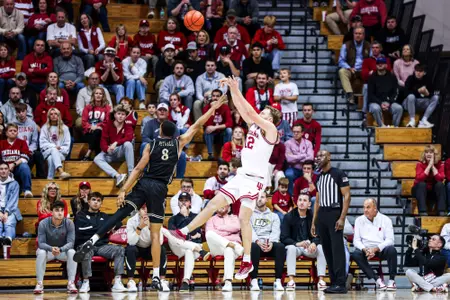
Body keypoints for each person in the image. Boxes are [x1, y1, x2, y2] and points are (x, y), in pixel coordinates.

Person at [73, 97, 228, 291]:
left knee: (119, 215)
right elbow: (197, 124)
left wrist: (123, 190)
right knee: (156, 234)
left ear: (160, 131)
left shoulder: (150, 145)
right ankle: (156, 276)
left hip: (144, 184)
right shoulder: (178, 143)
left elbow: (137, 169)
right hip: (160, 188)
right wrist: (214, 107)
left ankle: (93, 239)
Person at [168, 76, 280, 281]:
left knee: (244, 218)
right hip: (242, 175)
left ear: (270, 118)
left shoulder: (271, 131)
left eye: (264, 112)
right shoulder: (255, 125)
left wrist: (236, 88)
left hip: (255, 180)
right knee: (211, 205)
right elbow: (243, 108)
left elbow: (251, 113)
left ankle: (247, 260)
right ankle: (183, 231)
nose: (260, 113)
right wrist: (232, 90)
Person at [311, 150, 351, 294]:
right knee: (327, 250)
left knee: (337, 249)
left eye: (322, 156)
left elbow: (347, 196)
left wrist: (342, 218)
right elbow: (317, 201)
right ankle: (334, 282)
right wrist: (314, 221)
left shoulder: (339, 174)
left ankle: (341, 283)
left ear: (329, 158)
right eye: (318, 156)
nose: (319, 158)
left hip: (334, 213)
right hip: (322, 214)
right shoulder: (319, 177)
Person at [74, 192, 126, 293]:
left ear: (101, 203)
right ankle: (85, 281)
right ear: (88, 201)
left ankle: (117, 281)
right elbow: (81, 230)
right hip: (86, 245)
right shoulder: (80, 215)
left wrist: (112, 226)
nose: (96, 203)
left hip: (102, 246)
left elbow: (118, 222)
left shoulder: (104, 216)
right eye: (93, 200)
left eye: (98, 201)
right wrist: (104, 228)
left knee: (119, 249)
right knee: (85, 250)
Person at [281, 193, 327, 291]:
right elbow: (284, 237)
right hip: (296, 246)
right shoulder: (289, 217)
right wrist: (297, 243)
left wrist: (314, 243)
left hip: (309, 247)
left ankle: (321, 280)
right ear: (297, 202)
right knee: (291, 248)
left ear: (309, 204)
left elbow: (320, 234)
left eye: (305, 200)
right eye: (300, 200)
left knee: (321, 247)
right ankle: (291, 280)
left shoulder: (314, 217)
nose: (302, 202)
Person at [167, 192, 210, 292]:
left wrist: (187, 218)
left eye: (186, 201)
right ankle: (199, 251)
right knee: (175, 239)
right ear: (178, 203)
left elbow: (198, 234)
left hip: (192, 247)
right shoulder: (172, 219)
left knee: (189, 251)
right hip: (178, 247)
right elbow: (175, 235)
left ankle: (185, 281)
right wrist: (184, 218)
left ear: (190, 203)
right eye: (181, 201)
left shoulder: (196, 217)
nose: (183, 203)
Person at [352, 198, 397, 291]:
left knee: (392, 250)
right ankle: (377, 280)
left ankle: (392, 280)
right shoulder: (359, 220)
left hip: (380, 249)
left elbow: (390, 240)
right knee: (355, 254)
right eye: (364, 207)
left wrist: (376, 248)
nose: (365, 210)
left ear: (375, 208)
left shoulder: (386, 220)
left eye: (368, 207)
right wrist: (365, 249)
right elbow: (356, 241)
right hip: (366, 249)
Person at [34, 201, 77, 294]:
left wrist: (61, 249)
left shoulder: (69, 223)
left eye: (62, 210)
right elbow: (41, 243)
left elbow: (71, 243)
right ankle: (39, 283)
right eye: (57, 210)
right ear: (52, 212)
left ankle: (71, 282)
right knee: (41, 252)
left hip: (62, 251)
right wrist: (51, 248)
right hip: (48, 251)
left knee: (72, 252)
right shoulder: (43, 223)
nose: (60, 212)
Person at [125, 205, 170, 292]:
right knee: (130, 249)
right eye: (142, 208)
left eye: (147, 208)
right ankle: (131, 281)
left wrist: (151, 228)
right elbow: (131, 242)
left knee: (162, 249)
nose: (145, 211)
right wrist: (140, 227)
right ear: (138, 210)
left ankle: (162, 280)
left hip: (150, 248)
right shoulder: (131, 221)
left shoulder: (156, 220)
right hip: (137, 248)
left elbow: (160, 241)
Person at [248, 191, 284, 291]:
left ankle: (278, 280)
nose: (259, 199)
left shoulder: (274, 216)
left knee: (280, 247)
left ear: (267, 199)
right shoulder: (250, 215)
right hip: (257, 244)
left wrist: (271, 243)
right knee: (253, 246)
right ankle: (254, 280)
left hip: (270, 244)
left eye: (262, 197)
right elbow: (250, 231)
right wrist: (258, 241)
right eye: (257, 197)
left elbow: (276, 231)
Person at [140, 102, 187, 178]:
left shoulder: (172, 125)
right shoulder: (149, 123)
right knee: (144, 145)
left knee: (182, 154)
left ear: (168, 113)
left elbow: (176, 140)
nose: (162, 111)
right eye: (160, 110)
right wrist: (157, 144)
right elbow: (145, 138)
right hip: (154, 149)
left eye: (164, 110)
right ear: (156, 112)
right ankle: (145, 173)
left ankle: (179, 178)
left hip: (168, 149)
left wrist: (166, 145)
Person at [93, 104, 133, 187]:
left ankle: (131, 173)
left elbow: (129, 137)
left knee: (128, 144)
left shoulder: (128, 126)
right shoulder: (108, 125)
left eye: (123, 114)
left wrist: (116, 143)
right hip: (110, 152)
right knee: (97, 159)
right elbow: (103, 141)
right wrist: (106, 149)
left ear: (126, 116)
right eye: (119, 114)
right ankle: (117, 176)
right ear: (115, 114)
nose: (120, 116)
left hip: (120, 152)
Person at [205, 203, 243, 292]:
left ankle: (228, 282)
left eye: (224, 204)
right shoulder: (211, 219)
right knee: (209, 234)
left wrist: (219, 229)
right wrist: (228, 232)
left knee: (229, 249)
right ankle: (233, 245)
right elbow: (210, 233)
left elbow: (236, 228)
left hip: (232, 248)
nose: (221, 205)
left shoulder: (234, 217)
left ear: (229, 207)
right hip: (217, 248)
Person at [338, 26, 371, 105]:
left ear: (363, 35)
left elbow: (372, 59)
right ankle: (350, 94)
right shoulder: (346, 45)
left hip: (364, 70)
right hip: (352, 69)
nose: (358, 35)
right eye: (356, 33)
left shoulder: (369, 45)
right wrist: (349, 68)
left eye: (360, 34)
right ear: (353, 34)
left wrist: (367, 69)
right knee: (342, 71)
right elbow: (341, 61)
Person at [367, 57, 402, 127]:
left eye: (382, 63)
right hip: (376, 102)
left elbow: (396, 92)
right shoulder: (372, 77)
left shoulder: (392, 77)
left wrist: (389, 102)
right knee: (375, 108)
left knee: (399, 108)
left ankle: (395, 127)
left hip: (389, 102)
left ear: (386, 65)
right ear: (376, 65)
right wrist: (381, 103)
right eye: (378, 63)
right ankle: (382, 126)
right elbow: (370, 95)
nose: (380, 65)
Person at [0, 123, 33, 197]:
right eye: (10, 130)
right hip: (3, 170)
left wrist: (13, 164)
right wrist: (6, 167)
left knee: (24, 166)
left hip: (17, 169)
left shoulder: (22, 142)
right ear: (6, 133)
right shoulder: (1, 143)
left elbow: (25, 157)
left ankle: (27, 190)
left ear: (17, 132)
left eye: (15, 131)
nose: (13, 132)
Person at [412, 145, 445, 216]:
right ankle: (422, 211)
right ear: (424, 154)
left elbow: (440, 179)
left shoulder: (440, 164)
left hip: (432, 191)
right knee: (422, 184)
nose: (429, 154)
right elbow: (419, 179)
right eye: (427, 152)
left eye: (431, 152)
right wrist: (429, 166)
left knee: (440, 185)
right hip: (419, 190)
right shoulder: (420, 164)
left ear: (434, 154)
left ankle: (441, 211)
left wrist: (432, 166)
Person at [39, 108, 71, 180]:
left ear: (59, 115)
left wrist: (60, 148)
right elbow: (42, 144)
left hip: (61, 153)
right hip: (47, 152)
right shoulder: (44, 128)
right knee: (53, 150)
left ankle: (49, 178)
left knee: (51, 158)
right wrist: (54, 147)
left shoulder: (65, 128)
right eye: (51, 114)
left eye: (55, 114)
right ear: (48, 116)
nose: (53, 115)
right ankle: (61, 172)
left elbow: (67, 145)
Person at [14, 103, 45, 178]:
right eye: (19, 112)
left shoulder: (32, 123)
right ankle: (27, 174)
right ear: (16, 113)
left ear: (26, 111)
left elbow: (34, 141)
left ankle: (41, 178)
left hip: (29, 150)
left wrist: (30, 150)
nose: (21, 114)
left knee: (38, 154)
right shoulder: (13, 124)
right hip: (18, 151)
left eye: (23, 111)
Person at [361, 41, 393, 114]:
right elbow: (364, 75)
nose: (374, 49)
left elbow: (388, 71)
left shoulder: (386, 59)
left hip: (384, 83)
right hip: (372, 83)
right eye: (373, 48)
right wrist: (380, 70)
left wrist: (373, 72)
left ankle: (387, 106)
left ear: (380, 49)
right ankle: (365, 112)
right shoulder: (366, 61)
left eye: (377, 47)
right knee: (366, 87)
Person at [403, 64, 438, 128]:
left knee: (436, 97)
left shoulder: (427, 79)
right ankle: (412, 120)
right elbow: (405, 93)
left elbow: (432, 92)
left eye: (420, 71)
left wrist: (428, 94)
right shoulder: (410, 78)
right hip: (408, 103)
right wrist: (418, 91)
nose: (418, 73)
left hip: (421, 102)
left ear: (424, 73)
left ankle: (424, 120)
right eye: (416, 71)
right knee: (411, 96)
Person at [81, 87, 112, 161]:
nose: (98, 95)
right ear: (93, 95)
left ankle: (88, 154)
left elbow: (107, 121)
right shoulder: (88, 107)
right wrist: (91, 127)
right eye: (96, 93)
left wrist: (97, 126)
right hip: (89, 132)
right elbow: (83, 122)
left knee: (98, 132)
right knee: (97, 135)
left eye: (100, 94)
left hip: (101, 131)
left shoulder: (107, 108)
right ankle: (98, 157)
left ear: (103, 96)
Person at [202, 89, 232, 160]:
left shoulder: (225, 107)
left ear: (221, 98)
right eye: (213, 96)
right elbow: (207, 124)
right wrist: (213, 109)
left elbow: (229, 123)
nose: (215, 98)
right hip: (211, 134)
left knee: (229, 130)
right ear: (211, 97)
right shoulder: (206, 108)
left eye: (217, 96)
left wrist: (215, 127)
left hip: (221, 133)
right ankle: (210, 154)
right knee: (207, 130)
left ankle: (225, 153)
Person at [285, 124, 314, 195]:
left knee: (316, 174)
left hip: (306, 169)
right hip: (293, 169)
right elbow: (289, 159)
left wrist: (295, 158)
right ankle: (291, 196)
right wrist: (303, 156)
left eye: (298, 132)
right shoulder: (288, 143)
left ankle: (310, 195)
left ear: (302, 133)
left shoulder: (308, 143)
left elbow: (310, 158)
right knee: (288, 174)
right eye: (294, 132)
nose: (295, 134)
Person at [0, 160, 20, 246]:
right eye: (1, 169)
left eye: (5, 169)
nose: (3, 171)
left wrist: (7, 212)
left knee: (9, 222)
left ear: (9, 170)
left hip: (11, 210)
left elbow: (13, 200)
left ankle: (8, 239)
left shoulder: (14, 184)